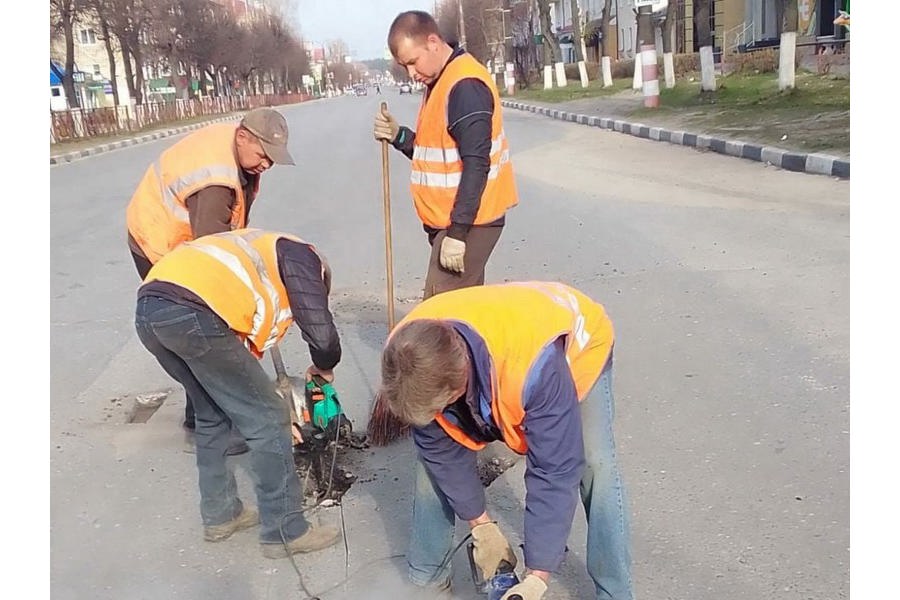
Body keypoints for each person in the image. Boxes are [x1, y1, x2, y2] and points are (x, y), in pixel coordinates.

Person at [379, 282, 634, 600]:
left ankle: (615, 592)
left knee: (596, 466)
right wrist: (480, 524)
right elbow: (440, 451)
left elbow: (553, 470)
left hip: (575, 348)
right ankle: (426, 581)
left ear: (458, 384)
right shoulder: (404, 357)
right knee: (430, 469)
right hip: (493, 339)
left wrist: (537, 576)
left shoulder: (534, 369)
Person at [134, 228, 342, 558]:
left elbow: (237, 365)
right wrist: (324, 364)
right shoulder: (303, 256)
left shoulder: (252, 252)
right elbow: (320, 330)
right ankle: (285, 532)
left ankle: (221, 515)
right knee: (269, 419)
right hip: (192, 312)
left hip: (149, 313)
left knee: (212, 414)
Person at [126, 107, 296, 454]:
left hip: (182, 240)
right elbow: (213, 259)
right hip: (159, 242)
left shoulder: (237, 151)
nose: (267, 165)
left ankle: (203, 414)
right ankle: (214, 424)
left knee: (203, 333)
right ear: (243, 137)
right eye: (264, 156)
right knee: (203, 328)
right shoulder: (215, 182)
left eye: (273, 159)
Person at [373, 10, 518, 299]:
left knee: (437, 321)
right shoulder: (441, 80)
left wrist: (457, 234)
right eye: (405, 67)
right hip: (456, 222)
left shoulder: (465, 86)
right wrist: (399, 136)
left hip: (472, 222)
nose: (411, 74)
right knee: (465, 313)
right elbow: (436, 153)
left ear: (433, 42)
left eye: (413, 62)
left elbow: (477, 164)